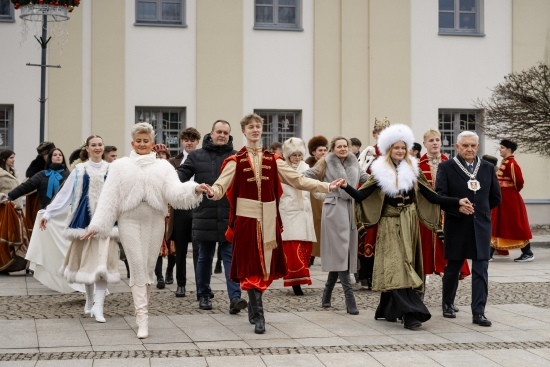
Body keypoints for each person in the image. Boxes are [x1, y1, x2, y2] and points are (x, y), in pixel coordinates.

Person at [206, 113, 340, 334]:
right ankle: (259, 315)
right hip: (246, 219)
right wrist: (212, 192)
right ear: (244, 131)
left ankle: (253, 305)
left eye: (258, 126)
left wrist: (326, 187)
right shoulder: (235, 160)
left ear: (262, 130)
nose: (255, 129)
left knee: (265, 268)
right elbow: (221, 186)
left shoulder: (273, 160)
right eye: (251, 127)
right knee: (251, 266)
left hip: (269, 217)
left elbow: (298, 180)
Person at [83, 122, 210, 339]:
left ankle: (144, 309)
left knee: (149, 268)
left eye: (146, 141)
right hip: (129, 220)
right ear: (132, 143)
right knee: (138, 266)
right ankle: (142, 317)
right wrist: (97, 225)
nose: (142, 144)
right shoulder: (120, 166)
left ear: (152, 143)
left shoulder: (163, 167)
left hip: (154, 221)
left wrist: (194, 188)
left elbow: (174, 191)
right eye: (138, 141)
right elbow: (109, 197)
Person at [342, 124, 470, 330]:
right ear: (388, 150)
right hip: (390, 224)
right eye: (396, 148)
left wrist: (457, 202)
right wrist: (344, 185)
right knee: (399, 266)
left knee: (406, 264)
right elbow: (361, 196)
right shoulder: (379, 172)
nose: (400, 151)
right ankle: (411, 313)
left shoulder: (413, 170)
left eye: (403, 147)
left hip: (410, 223)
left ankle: (387, 308)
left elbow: (432, 196)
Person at [39, 136, 120, 322]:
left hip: (106, 223)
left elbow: (121, 194)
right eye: (94, 145)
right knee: (87, 263)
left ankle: (99, 306)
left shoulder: (113, 169)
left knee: (102, 265)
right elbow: (65, 194)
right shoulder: (79, 170)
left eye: (100, 145)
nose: (98, 148)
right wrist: (48, 213)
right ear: (88, 148)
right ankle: (90, 299)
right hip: (83, 221)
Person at [178, 120, 247, 313]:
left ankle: (235, 298)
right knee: (204, 258)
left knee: (230, 259)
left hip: (229, 216)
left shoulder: (236, 157)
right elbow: (180, 176)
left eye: (226, 132)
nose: (222, 135)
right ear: (211, 133)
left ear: (229, 135)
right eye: (219, 132)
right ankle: (204, 295)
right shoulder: (196, 156)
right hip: (204, 214)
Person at [435, 131, 501, 327]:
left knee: (481, 268)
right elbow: (440, 195)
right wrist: (457, 206)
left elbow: (495, 197)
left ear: (478, 147)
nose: (469, 149)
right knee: (453, 267)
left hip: (480, 225)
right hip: (457, 225)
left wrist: (480, 210)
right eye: (465, 145)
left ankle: (478, 312)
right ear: (457, 147)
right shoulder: (446, 167)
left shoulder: (488, 168)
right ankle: (447, 302)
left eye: (473, 145)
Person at [304, 136, 369, 314]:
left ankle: (326, 295)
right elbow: (306, 176)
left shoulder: (354, 162)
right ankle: (350, 299)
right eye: (339, 146)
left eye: (345, 146)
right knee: (340, 252)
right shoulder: (326, 161)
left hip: (350, 209)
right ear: (332, 149)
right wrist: (325, 186)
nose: (342, 149)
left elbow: (366, 178)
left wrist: (385, 179)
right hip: (333, 209)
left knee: (345, 251)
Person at [10, 149, 81, 293]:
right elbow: (26, 186)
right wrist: (10, 196)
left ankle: (69, 277)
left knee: (65, 248)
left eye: (60, 154)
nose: (57, 156)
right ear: (50, 159)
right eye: (54, 155)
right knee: (49, 250)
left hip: (64, 218)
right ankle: (53, 276)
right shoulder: (42, 175)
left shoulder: (69, 175)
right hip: (47, 218)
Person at [418, 130, 470, 305]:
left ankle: (449, 301)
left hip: (448, 218)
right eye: (431, 140)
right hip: (425, 219)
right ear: (424, 143)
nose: (435, 143)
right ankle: (419, 299)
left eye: (437, 140)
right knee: (422, 260)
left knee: (451, 261)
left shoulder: (452, 164)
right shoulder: (417, 165)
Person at [356, 117, 390, 290]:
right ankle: (367, 275)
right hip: (371, 199)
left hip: (389, 200)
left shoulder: (394, 150)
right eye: (379, 132)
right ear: (374, 134)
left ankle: (384, 276)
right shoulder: (369, 152)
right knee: (369, 235)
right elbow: (360, 174)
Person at [167, 127, 201, 298]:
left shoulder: (202, 159)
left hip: (199, 208)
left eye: (192, 139)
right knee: (180, 250)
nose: (189, 142)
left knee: (198, 249)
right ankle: (181, 284)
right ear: (182, 142)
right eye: (186, 139)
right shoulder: (173, 162)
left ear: (197, 142)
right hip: (180, 209)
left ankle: (201, 286)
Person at [279, 138, 316, 296]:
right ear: (288, 155)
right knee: (293, 249)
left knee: (305, 249)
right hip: (290, 212)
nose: (297, 158)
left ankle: (301, 278)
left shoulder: (307, 168)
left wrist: (329, 193)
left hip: (305, 213)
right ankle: (296, 282)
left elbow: (314, 187)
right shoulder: (282, 169)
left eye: (300, 154)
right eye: (294, 155)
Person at [491, 139, 533, 262]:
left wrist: (511, 194)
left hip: (510, 199)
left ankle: (527, 252)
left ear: (509, 149)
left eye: (502, 148)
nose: (500, 149)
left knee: (515, 224)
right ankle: (488, 253)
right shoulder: (505, 162)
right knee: (497, 224)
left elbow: (519, 182)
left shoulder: (512, 163)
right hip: (503, 198)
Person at [0, 149, 29, 274]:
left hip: (16, 209)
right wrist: (2, 197)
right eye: (11, 157)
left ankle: (10, 265)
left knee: (15, 237)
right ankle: (2, 264)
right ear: (4, 159)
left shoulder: (13, 173)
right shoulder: (0, 174)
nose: (14, 160)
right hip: (3, 209)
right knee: (5, 237)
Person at [152, 144, 176, 289]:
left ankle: (169, 272)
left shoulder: (172, 171)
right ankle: (159, 276)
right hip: (157, 213)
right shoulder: (150, 172)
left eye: (162, 154)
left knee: (173, 247)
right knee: (158, 249)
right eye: (157, 154)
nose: (160, 156)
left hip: (171, 213)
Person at [304, 135, 328, 266]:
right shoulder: (308, 166)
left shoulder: (330, 163)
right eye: (320, 150)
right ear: (314, 152)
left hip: (326, 195)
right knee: (314, 224)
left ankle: (324, 254)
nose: (323, 153)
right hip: (313, 197)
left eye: (325, 150)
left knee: (324, 227)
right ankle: (311, 255)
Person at [24, 142, 56, 232]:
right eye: (45, 154)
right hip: (39, 198)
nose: (47, 156)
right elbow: (30, 176)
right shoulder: (36, 164)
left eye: (49, 154)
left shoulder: (58, 162)